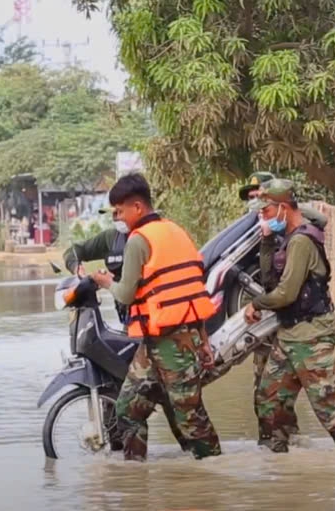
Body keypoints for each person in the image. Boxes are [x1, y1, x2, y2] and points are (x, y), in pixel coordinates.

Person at [90, 173, 221, 461]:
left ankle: (214, 472)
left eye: (120, 211)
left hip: (173, 342)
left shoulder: (138, 241)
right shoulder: (176, 230)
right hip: (162, 341)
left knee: (189, 416)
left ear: (137, 207)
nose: (118, 217)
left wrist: (103, 281)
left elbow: (124, 295)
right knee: (128, 408)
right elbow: (190, 288)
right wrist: (204, 340)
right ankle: (136, 476)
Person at [244, 179, 335, 453]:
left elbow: (285, 294)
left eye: (266, 212)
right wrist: (266, 240)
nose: (263, 217)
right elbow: (270, 280)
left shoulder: (301, 241)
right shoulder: (286, 238)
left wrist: (256, 304)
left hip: (312, 338)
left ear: (283, 207)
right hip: (288, 337)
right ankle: (282, 468)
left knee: (330, 411)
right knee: (268, 402)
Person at [238, 172, 329, 446]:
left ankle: (286, 443)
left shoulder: (294, 233)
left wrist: (276, 223)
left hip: (297, 322)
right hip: (273, 320)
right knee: (268, 395)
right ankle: (278, 451)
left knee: (321, 403)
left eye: (260, 199)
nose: (255, 206)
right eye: (252, 199)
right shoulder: (259, 228)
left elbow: (275, 284)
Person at [63, 207, 131, 324]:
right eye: (113, 214)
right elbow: (73, 251)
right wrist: (76, 268)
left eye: (119, 212)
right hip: (129, 318)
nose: (116, 218)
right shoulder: (110, 238)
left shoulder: (149, 236)